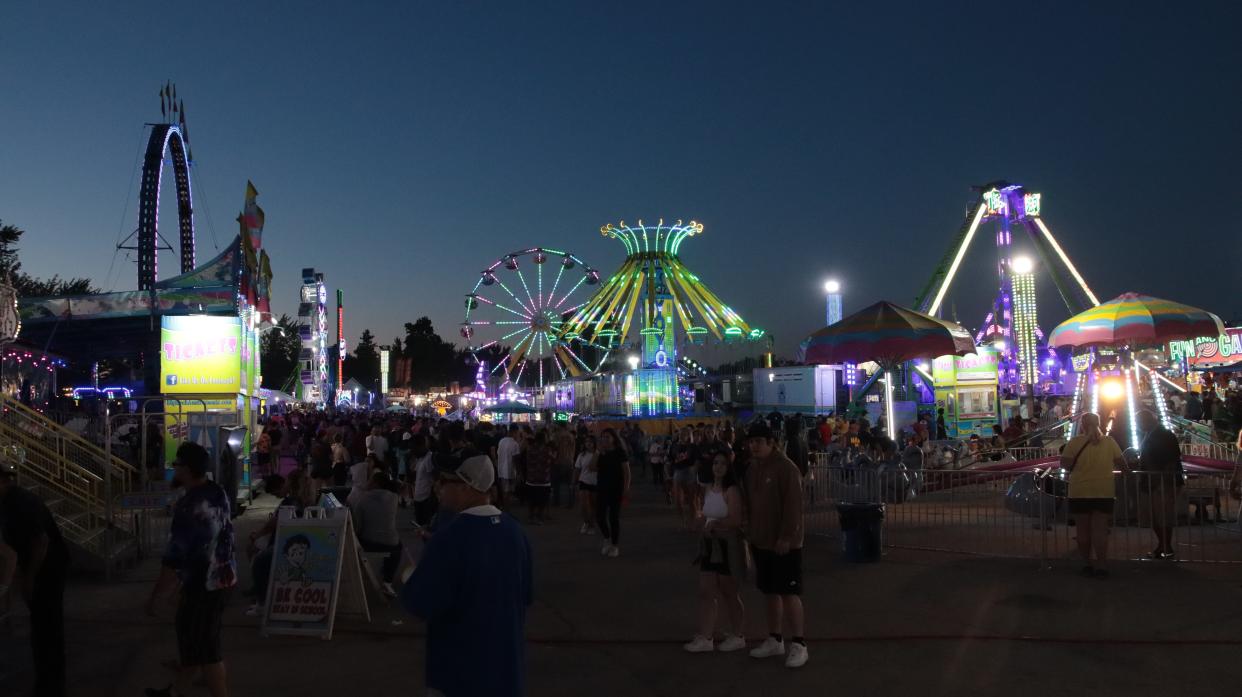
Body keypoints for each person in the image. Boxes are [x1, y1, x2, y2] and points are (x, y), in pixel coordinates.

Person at [400, 453, 533, 697]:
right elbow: (525, 595)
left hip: (459, 670)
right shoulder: (516, 532)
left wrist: (411, 576)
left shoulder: (449, 538)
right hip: (505, 666)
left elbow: (419, 603)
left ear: (466, 487)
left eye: (446, 483)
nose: (440, 488)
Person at [146, 442, 237, 697]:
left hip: (206, 585)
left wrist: (157, 597)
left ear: (186, 469)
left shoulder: (189, 508)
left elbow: (174, 559)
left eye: (176, 465)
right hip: (221, 577)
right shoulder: (217, 491)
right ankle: (176, 691)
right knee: (194, 641)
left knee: (207, 650)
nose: (174, 469)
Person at [0, 457, 69, 697]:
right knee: (42, 630)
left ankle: (51, 686)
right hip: (39, 569)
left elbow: (41, 541)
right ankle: (47, 683)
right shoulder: (9, 501)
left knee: (47, 630)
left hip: (47, 571)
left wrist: (29, 577)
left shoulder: (20, 502)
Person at [743, 422, 808, 669]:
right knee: (769, 592)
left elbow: (794, 507)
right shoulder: (752, 469)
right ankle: (775, 638)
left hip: (785, 544)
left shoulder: (786, 469)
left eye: (759, 441)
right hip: (761, 541)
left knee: (789, 593)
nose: (754, 446)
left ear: (771, 442)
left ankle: (799, 643)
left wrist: (786, 537)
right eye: (751, 442)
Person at [684, 452, 748, 654]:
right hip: (709, 545)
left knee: (729, 591)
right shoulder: (708, 489)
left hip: (727, 545)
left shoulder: (732, 491)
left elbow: (736, 520)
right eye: (715, 463)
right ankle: (706, 636)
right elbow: (704, 513)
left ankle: (738, 635)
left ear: (729, 467)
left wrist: (715, 525)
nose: (718, 467)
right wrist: (700, 521)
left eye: (722, 463)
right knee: (706, 590)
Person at [1061, 412, 1125, 578]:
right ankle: (1102, 565)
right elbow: (1122, 463)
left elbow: (1065, 464)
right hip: (1103, 490)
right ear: (1099, 423)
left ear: (1082, 425)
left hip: (1079, 491)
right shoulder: (1109, 442)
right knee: (1100, 530)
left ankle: (1086, 564)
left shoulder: (1074, 443)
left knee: (1082, 530)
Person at [1137, 409, 1184, 559]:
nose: (1138, 426)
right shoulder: (1153, 434)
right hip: (1154, 480)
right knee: (1156, 516)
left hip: (1161, 482)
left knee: (1162, 516)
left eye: (1140, 422)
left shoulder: (1164, 435)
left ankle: (1166, 546)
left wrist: (1160, 479)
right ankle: (1163, 545)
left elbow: (1172, 459)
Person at [353, 471, 403, 595]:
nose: (367, 482)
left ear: (375, 483)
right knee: (398, 546)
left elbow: (358, 527)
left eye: (369, 480)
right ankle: (388, 580)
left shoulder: (362, 499)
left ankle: (359, 575)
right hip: (391, 543)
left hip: (370, 542)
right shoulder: (394, 498)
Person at [595, 428, 631, 558]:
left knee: (613, 518)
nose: (604, 439)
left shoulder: (620, 452)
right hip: (601, 488)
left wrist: (626, 488)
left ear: (613, 438)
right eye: (603, 437)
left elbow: (626, 472)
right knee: (599, 516)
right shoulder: (601, 453)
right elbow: (593, 467)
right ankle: (607, 538)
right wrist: (598, 452)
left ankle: (614, 545)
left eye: (607, 437)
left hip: (616, 488)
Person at [524, 430, 554, 524]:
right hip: (544, 479)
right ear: (544, 439)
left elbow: (527, 461)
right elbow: (552, 461)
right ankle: (539, 517)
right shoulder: (547, 450)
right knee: (542, 500)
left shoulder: (530, 448)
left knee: (531, 499)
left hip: (531, 479)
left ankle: (531, 517)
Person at [409, 434, 438, 527]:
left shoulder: (429, 458)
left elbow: (434, 478)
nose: (412, 451)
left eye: (413, 448)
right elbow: (414, 473)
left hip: (426, 499)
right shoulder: (420, 458)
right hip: (418, 497)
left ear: (421, 446)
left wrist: (432, 497)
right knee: (420, 527)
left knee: (426, 527)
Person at [574, 434, 599, 534]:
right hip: (583, 481)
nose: (588, 444)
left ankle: (592, 524)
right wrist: (574, 481)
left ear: (594, 443)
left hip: (596, 482)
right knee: (584, 504)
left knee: (593, 505)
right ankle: (586, 522)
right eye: (587, 442)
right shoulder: (581, 455)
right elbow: (577, 469)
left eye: (590, 442)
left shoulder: (598, 454)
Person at [552, 424, 577, 509]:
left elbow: (554, 449)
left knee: (556, 484)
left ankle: (557, 502)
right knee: (570, 484)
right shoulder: (571, 437)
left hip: (559, 462)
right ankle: (571, 502)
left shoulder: (556, 436)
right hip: (569, 462)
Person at [496, 424, 522, 507]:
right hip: (510, 470)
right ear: (515, 432)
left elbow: (498, 454)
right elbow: (516, 459)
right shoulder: (514, 444)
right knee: (508, 491)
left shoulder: (501, 441)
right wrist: (518, 472)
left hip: (501, 470)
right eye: (517, 432)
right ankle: (506, 509)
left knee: (504, 490)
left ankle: (504, 507)